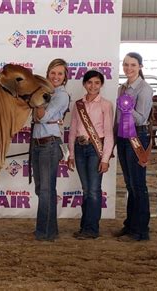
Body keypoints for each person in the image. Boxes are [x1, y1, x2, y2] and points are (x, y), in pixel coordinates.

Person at [67, 70, 114, 240]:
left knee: (94, 190)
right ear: (84, 84)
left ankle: (92, 229)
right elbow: (72, 130)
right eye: (89, 82)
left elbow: (109, 133)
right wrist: (71, 154)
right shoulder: (78, 105)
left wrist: (105, 158)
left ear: (101, 85)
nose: (93, 86)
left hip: (96, 149)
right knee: (86, 190)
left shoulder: (106, 105)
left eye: (96, 82)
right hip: (80, 148)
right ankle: (85, 227)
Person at [114, 52, 153, 242]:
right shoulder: (123, 88)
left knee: (138, 185)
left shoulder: (144, 89)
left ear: (140, 67)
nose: (128, 68)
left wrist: (127, 108)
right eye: (126, 64)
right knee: (130, 184)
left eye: (133, 65)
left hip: (137, 136)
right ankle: (130, 225)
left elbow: (142, 117)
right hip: (123, 136)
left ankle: (140, 230)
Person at [31, 58, 70, 241]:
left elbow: (42, 117)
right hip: (37, 143)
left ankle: (44, 232)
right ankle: (49, 229)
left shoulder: (61, 95)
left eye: (60, 74)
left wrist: (38, 107)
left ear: (65, 77)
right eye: (53, 73)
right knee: (42, 189)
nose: (56, 76)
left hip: (49, 144)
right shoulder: (46, 92)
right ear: (47, 74)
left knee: (46, 189)